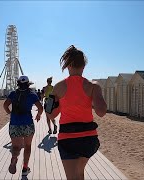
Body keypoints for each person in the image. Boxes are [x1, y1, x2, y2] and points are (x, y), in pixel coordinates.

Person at [46, 45, 107, 180]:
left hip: (68, 139)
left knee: (73, 177)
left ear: (68, 66)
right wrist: (95, 95)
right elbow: (101, 112)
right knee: (79, 174)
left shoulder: (58, 87)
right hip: (89, 140)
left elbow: (51, 114)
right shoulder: (93, 86)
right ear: (84, 66)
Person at [3, 75, 43, 176]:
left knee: (16, 146)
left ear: (18, 84)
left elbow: (5, 105)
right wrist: (38, 115)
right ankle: (25, 168)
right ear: (28, 84)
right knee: (27, 146)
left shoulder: (13, 94)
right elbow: (40, 108)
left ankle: (14, 159)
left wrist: (10, 113)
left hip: (14, 124)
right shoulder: (32, 94)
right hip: (27, 124)